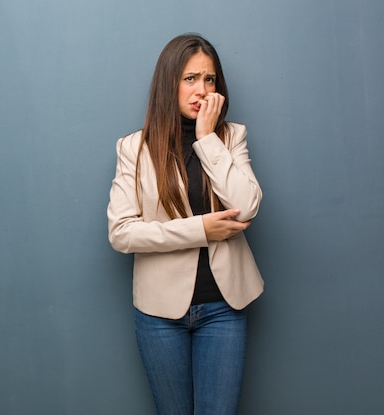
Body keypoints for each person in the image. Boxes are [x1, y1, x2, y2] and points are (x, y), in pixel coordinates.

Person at [107, 34, 264, 415]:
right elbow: (122, 232)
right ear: (169, 83)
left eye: (209, 80)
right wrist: (200, 230)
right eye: (190, 78)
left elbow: (245, 208)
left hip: (224, 308)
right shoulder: (135, 147)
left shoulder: (232, 136)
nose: (201, 91)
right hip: (160, 313)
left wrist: (209, 138)